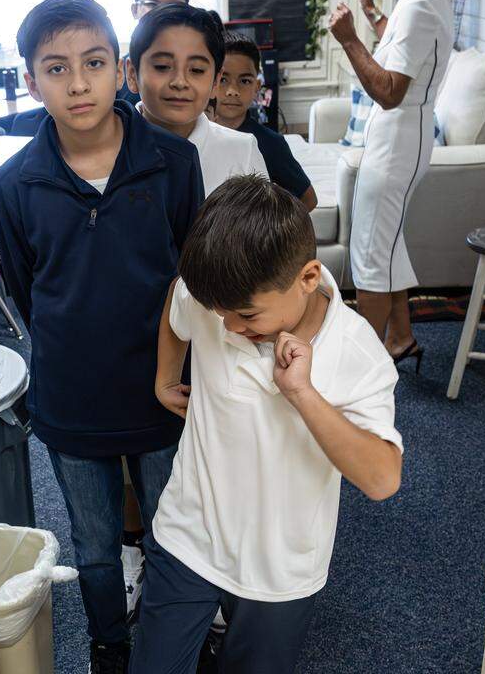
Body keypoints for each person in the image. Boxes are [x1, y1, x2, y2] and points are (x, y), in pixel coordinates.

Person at [0, 0, 204, 673]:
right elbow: (28, 289)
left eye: (92, 63)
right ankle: (110, 642)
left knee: (174, 533)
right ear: (31, 82)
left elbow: (190, 275)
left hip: (160, 389)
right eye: (56, 68)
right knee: (93, 544)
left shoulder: (172, 162)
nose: (77, 83)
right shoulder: (16, 181)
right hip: (72, 398)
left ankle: (173, 641)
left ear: (122, 70)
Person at [130, 175, 403, 674]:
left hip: (280, 567)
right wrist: (166, 378)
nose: (229, 326)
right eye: (220, 313)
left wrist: (301, 392)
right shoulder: (219, 298)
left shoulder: (355, 349)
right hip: (188, 534)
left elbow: (383, 479)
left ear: (307, 277)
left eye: (246, 314)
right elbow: (181, 296)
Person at [328, 0, 453, 369]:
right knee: (387, 241)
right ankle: (400, 338)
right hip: (405, 138)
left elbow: (389, 90)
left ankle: (364, 367)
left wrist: (347, 40)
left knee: (369, 253)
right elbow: (404, 52)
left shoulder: (420, 6)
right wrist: (371, 14)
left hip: (398, 141)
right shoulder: (426, 0)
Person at [126, 2, 267, 196]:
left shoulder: (242, 152)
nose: (180, 82)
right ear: (132, 75)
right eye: (162, 66)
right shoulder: (104, 152)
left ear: (215, 82)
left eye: (197, 70)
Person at [210, 32, 318, 211]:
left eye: (244, 81)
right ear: (211, 82)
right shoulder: (193, 132)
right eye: (223, 79)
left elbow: (308, 200)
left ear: (256, 87)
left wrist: (270, 234)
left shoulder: (270, 144)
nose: (232, 90)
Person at [118, 0, 199, 107]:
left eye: (173, 7)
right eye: (152, 4)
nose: (163, 14)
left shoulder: (201, 71)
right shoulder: (114, 73)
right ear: (135, 10)